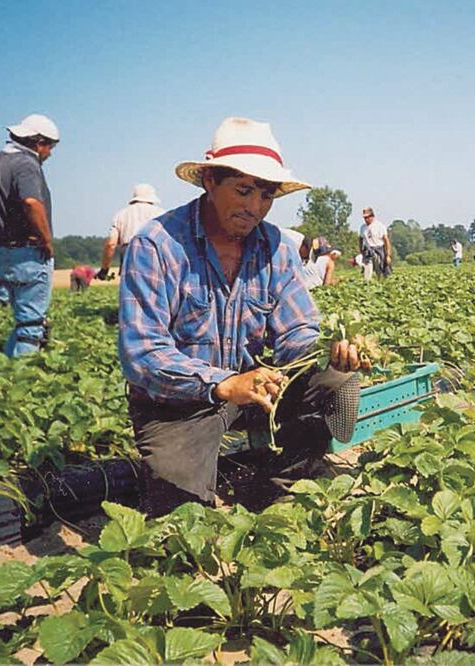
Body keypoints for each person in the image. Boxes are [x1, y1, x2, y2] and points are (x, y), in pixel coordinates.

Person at [118, 116, 364, 517]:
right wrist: (223, 383)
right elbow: (142, 354)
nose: (255, 208)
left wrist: (328, 352)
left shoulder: (275, 247)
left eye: (266, 196)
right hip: (178, 405)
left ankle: (281, 485)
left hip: (254, 392)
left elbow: (297, 331)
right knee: (183, 520)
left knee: (332, 377)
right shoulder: (157, 245)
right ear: (210, 181)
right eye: (244, 190)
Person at [0, 114, 59, 357]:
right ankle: (24, 382)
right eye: (50, 146)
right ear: (38, 142)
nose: (50, 153)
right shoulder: (26, 164)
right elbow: (31, 202)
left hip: (2, 250)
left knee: (21, 323)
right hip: (28, 251)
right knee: (31, 326)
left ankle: (9, 372)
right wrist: (47, 240)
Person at [97, 184, 165, 280]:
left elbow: (111, 244)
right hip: (155, 255)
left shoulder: (121, 215)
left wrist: (104, 269)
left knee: (130, 291)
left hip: (129, 255)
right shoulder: (161, 214)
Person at [358, 207, 391, 280]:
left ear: (372, 216)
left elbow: (386, 240)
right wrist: (361, 250)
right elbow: (360, 239)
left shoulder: (380, 226)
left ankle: (381, 283)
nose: (366, 219)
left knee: (380, 271)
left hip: (378, 249)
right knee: (367, 271)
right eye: (365, 218)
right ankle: (367, 284)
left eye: (367, 217)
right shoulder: (363, 227)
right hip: (368, 250)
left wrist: (388, 255)